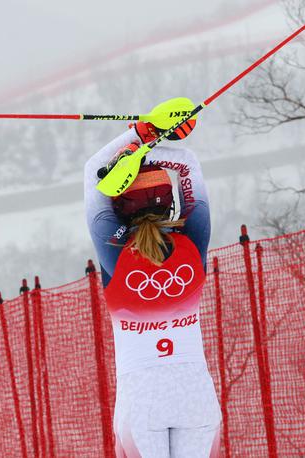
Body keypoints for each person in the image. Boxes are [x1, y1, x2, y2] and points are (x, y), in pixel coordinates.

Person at [84, 119, 222, 458]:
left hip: (142, 397)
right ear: (168, 201)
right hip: (195, 394)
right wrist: (157, 136)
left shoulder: (113, 248)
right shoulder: (193, 242)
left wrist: (140, 134)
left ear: (120, 204)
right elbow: (188, 164)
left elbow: (93, 172)